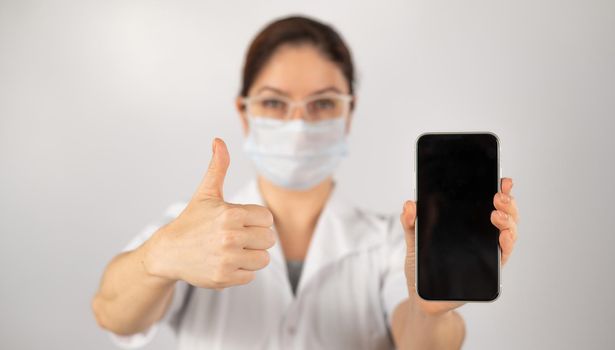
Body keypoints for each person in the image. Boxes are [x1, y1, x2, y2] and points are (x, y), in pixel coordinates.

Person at [91, 15, 520, 350]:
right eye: (275, 102)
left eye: (323, 103)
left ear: (348, 115)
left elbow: (425, 343)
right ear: (244, 113)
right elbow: (112, 312)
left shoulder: (397, 243)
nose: (298, 123)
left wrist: (430, 311)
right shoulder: (190, 232)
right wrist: (160, 256)